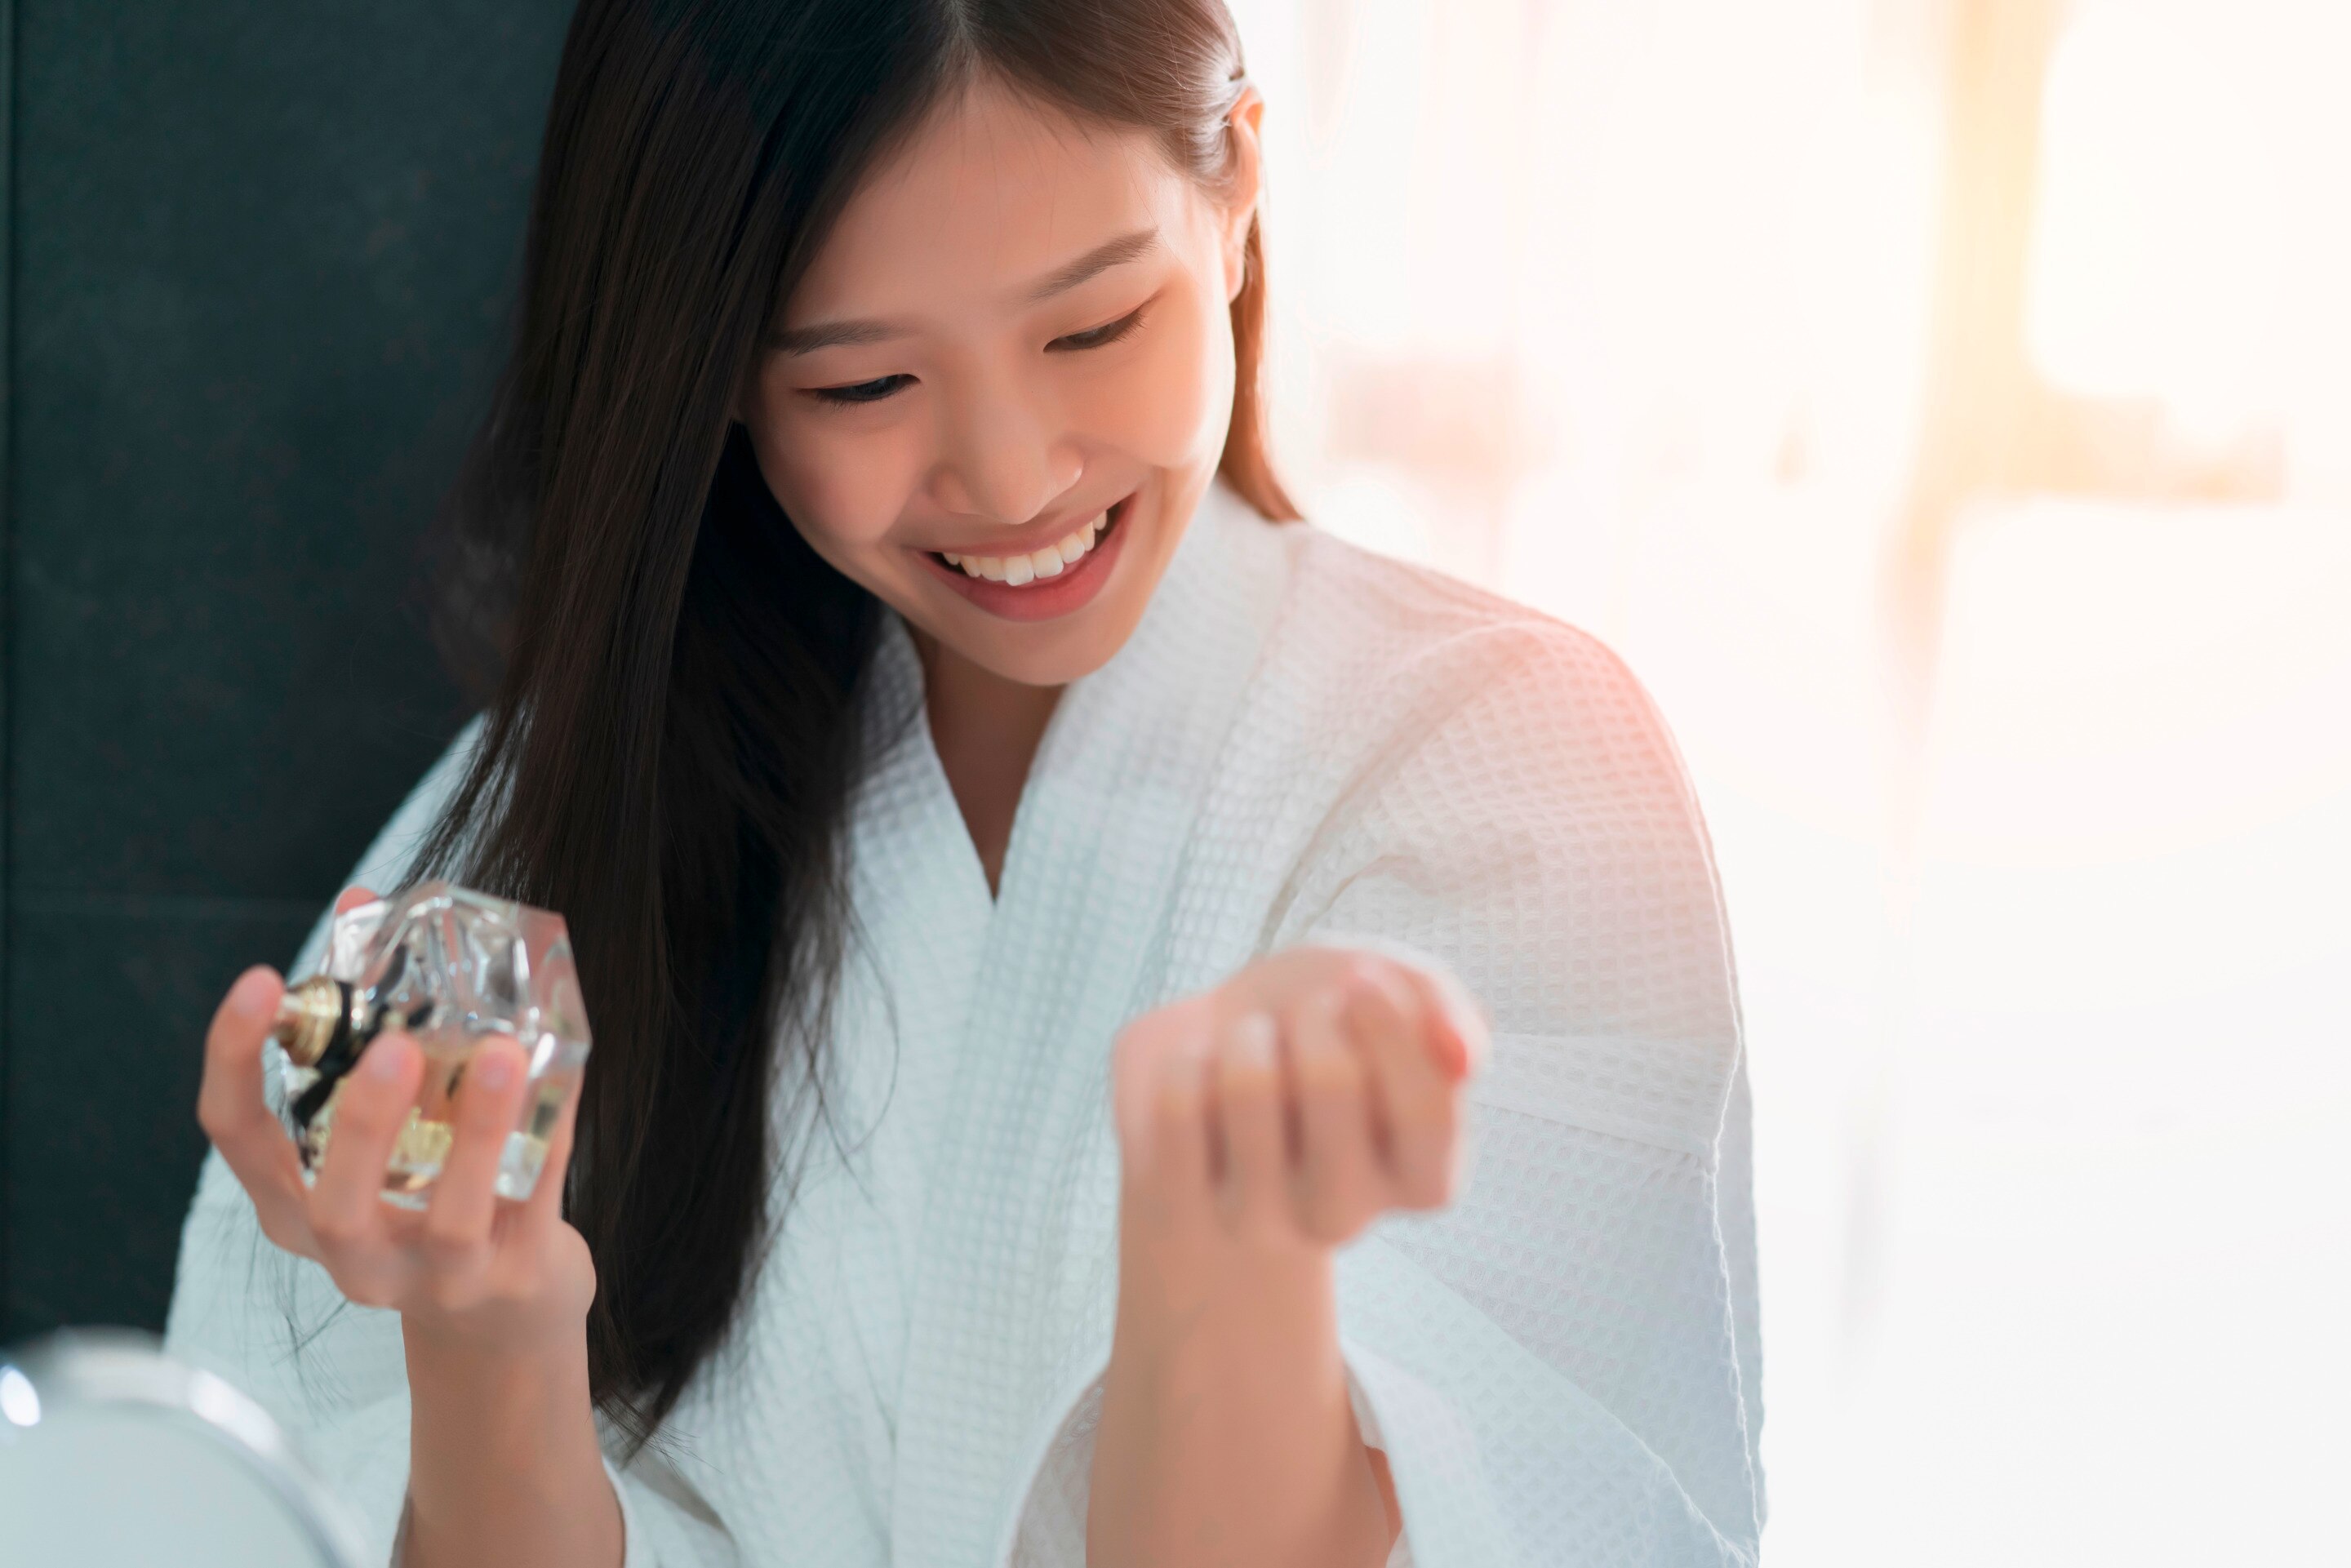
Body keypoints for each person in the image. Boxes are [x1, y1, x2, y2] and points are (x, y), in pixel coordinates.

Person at [165, 2, 1763, 1565]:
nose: (1011, 477)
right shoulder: (545, 826)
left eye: (1094, 327)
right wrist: (488, 1329)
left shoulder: (1510, 767)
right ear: (715, 371)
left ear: (1235, 195)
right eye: (862, 387)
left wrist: (1229, 1246)